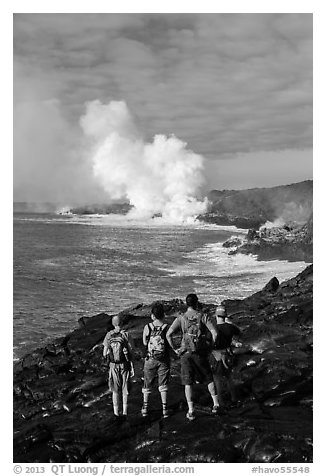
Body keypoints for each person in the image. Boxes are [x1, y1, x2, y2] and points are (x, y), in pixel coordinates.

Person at [166, 293, 219, 421]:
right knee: (209, 378)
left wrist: (175, 349)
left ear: (186, 304)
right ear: (196, 303)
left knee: (187, 382)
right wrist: (211, 346)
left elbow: (168, 334)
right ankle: (216, 405)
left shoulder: (181, 317)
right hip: (199, 352)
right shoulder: (203, 316)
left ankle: (191, 410)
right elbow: (214, 333)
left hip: (185, 353)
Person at [141, 302, 170, 418]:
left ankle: (145, 408)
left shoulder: (147, 327)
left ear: (152, 315)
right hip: (163, 359)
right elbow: (168, 342)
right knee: (163, 384)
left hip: (150, 358)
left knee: (147, 383)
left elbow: (144, 342)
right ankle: (164, 408)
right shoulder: (166, 327)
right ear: (163, 315)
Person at [103, 314, 134, 420]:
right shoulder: (126, 334)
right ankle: (125, 411)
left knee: (115, 390)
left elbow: (104, 352)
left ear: (113, 324)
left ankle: (116, 412)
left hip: (113, 365)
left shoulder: (109, 335)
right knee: (125, 389)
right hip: (124, 364)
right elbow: (131, 350)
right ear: (122, 323)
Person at [210, 305, 241, 407]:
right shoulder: (230, 327)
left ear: (216, 315)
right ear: (225, 315)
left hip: (216, 356)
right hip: (227, 354)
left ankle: (221, 402)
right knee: (229, 377)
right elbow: (239, 332)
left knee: (217, 380)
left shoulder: (213, 328)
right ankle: (234, 399)